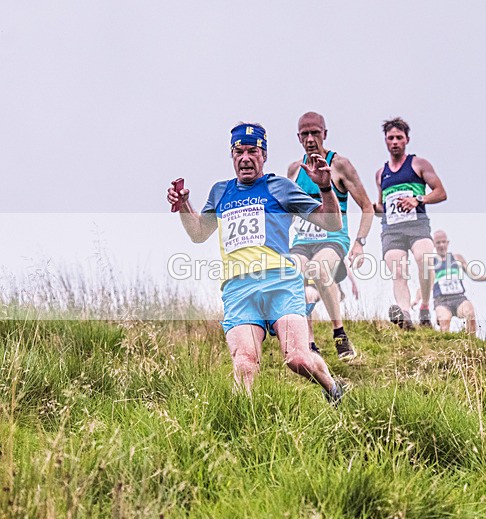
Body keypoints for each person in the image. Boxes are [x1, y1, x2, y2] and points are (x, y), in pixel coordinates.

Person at [166, 122, 345, 403]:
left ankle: (334, 390)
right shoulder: (220, 192)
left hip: (280, 283)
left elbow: (332, 223)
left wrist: (325, 187)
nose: (245, 158)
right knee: (245, 364)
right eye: (239, 151)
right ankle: (243, 427)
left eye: (253, 151)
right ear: (232, 155)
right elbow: (199, 233)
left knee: (298, 359)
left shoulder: (280, 187)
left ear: (264, 155)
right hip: (239, 289)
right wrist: (184, 206)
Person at [288, 112, 373, 361]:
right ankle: (310, 343)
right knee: (293, 276)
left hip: (333, 238)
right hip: (302, 241)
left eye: (315, 132)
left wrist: (360, 242)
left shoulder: (340, 165)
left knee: (318, 270)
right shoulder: (294, 170)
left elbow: (366, 206)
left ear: (325, 133)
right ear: (298, 137)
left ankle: (340, 334)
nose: (311, 139)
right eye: (305, 134)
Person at [373, 117, 447, 329]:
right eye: (390, 138)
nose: (394, 141)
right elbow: (381, 207)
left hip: (417, 225)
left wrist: (418, 199)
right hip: (392, 229)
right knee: (398, 269)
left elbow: (441, 193)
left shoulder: (418, 164)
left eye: (399, 137)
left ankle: (424, 306)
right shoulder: (381, 174)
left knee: (424, 260)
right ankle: (405, 314)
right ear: (385, 141)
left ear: (407, 139)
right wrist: (372, 208)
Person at [411, 230, 486, 334]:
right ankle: (445, 345)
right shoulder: (431, 262)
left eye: (443, 242)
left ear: (448, 243)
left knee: (469, 312)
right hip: (441, 301)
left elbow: (473, 275)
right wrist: (417, 299)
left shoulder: (457, 258)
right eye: (438, 243)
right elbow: (425, 285)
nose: (441, 245)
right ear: (433, 244)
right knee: (445, 320)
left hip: (459, 298)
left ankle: (471, 342)